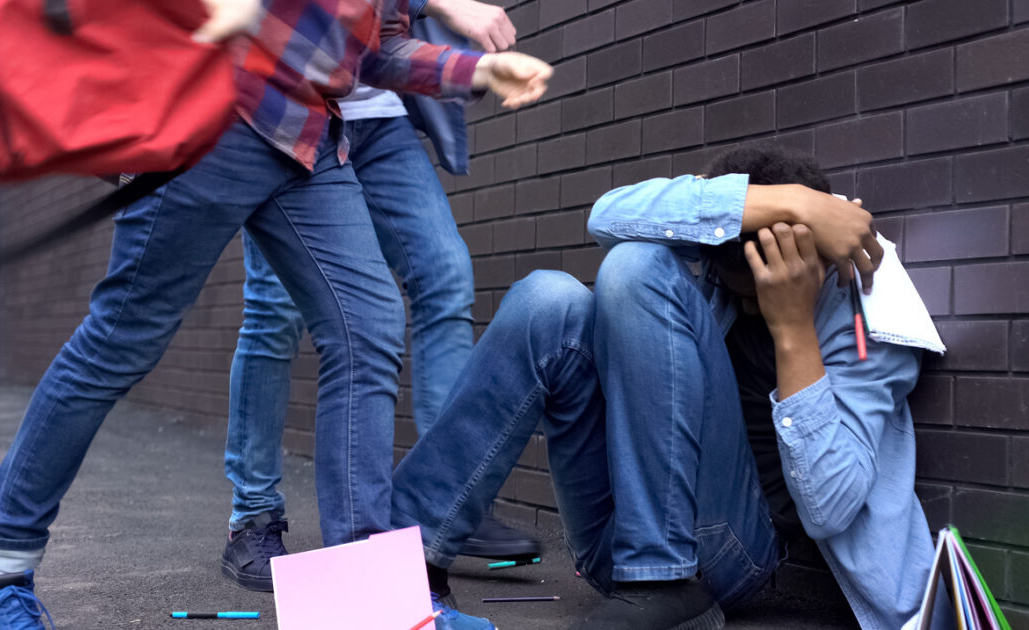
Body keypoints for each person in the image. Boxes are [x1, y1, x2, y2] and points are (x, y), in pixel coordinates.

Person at [0, 0, 551, 627]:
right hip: (210, 123)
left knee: (368, 328)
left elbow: (368, 49)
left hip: (306, 139)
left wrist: (473, 69)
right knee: (118, 345)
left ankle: (370, 599)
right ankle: (4, 565)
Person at [378, 144, 945, 629]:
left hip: (731, 556)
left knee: (636, 267)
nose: (747, 305)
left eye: (757, 291)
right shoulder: (728, 249)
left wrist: (792, 328)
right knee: (546, 298)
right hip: (615, 544)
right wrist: (790, 202)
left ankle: (663, 579)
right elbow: (606, 214)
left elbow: (831, 509)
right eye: (735, 288)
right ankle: (403, 561)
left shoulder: (867, 315)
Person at [220, 0, 538, 597]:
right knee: (275, 310)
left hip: (379, 111)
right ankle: (254, 514)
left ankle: (446, 495)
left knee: (444, 273)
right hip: (287, 107)